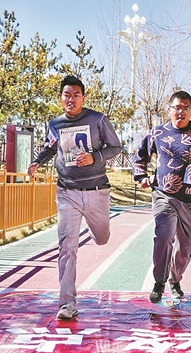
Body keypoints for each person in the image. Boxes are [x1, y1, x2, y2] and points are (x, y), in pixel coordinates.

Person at [28, 75, 122, 320]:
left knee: (101, 238)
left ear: (83, 98)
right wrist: (37, 161)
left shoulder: (98, 120)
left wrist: (94, 157)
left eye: (76, 95)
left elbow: (115, 147)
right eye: (67, 95)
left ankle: (93, 225)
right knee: (67, 247)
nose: (71, 99)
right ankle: (67, 303)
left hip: (96, 191)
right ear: (61, 98)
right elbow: (51, 147)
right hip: (67, 192)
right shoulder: (55, 124)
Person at [132, 90, 191, 303]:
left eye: (185, 108)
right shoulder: (158, 133)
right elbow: (139, 156)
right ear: (169, 109)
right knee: (163, 236)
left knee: (184, 249)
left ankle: (175, 279)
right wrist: (141, 176)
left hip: (190, 200)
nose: (181, 112)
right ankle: (159, 282)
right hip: (163, 194)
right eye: (177, 107)